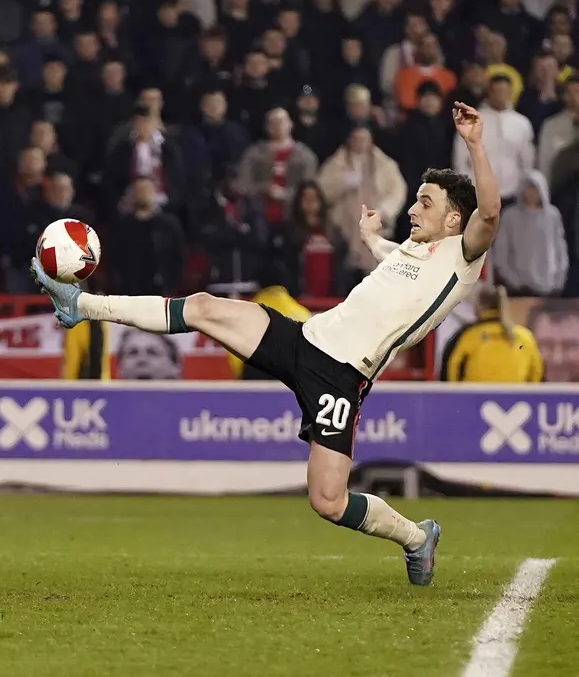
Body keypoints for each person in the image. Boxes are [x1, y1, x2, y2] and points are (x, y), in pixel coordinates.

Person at [31, 102, 502, 587]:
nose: (412, 208)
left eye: (425, 202)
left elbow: (489, 211)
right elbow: (394, 261)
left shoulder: (462, 256)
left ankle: (415, 537)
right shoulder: (411, 251)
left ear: (453, 220)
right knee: (203, 307)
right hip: (306, 339)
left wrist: (473, 143)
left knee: (327, 501)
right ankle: (81, 306)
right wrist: (370, 239)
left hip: (341, 378)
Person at [441, 286, 542, 382]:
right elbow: (537, 371)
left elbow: (452, 366)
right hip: (516, 398)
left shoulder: (468, 336)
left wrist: (457, 394)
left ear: (480, 305)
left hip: (475, 397)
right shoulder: (524, 336)